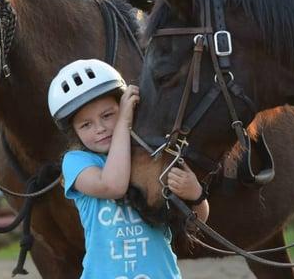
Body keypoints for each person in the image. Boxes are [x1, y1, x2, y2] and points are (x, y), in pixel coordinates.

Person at [48, 59, 209, 279]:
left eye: (107, 115)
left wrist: (197, 195)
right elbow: (113, 185)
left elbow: (196, 221)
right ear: (74, 132)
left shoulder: (149, 158)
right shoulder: (76, 162)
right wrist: (123, 121)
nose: (100, 128)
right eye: (86, 124)